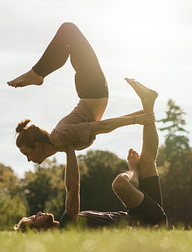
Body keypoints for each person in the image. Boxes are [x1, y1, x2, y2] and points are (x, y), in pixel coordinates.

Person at [14, 78, 168, 231]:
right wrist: (69, 149)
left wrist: (136, 118)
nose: (39, 213)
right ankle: (133, 171)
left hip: (143, 214)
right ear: (38, 230)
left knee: (147, 161)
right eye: (34, 218)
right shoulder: (66, 228)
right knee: (120, 183)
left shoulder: (66, 225)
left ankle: (148, 104)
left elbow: (99, 127)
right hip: (144, 223)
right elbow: (72, 188)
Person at [8, 23, 154, 164]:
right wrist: (140, 114)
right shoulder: (62, 145)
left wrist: (135, 119)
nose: (28, 159)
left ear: (38, 145)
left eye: (28, 153)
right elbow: (101, 127)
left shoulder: (61, 135)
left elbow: (103, 127)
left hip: (91, 88)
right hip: (93, 90)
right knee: (68, 37)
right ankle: (38, 74)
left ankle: (37, 74)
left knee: (68, 30)